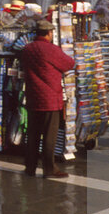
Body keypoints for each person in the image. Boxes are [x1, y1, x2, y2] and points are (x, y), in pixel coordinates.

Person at [20, 20, 75, 178]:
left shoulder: (27, 49)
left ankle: (30, 167)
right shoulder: (51, 49)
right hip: (50, 99)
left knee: (33, 135)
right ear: (49, 33)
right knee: (49, 136)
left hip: (33, 97)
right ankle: (49, 169)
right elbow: (68, 63)